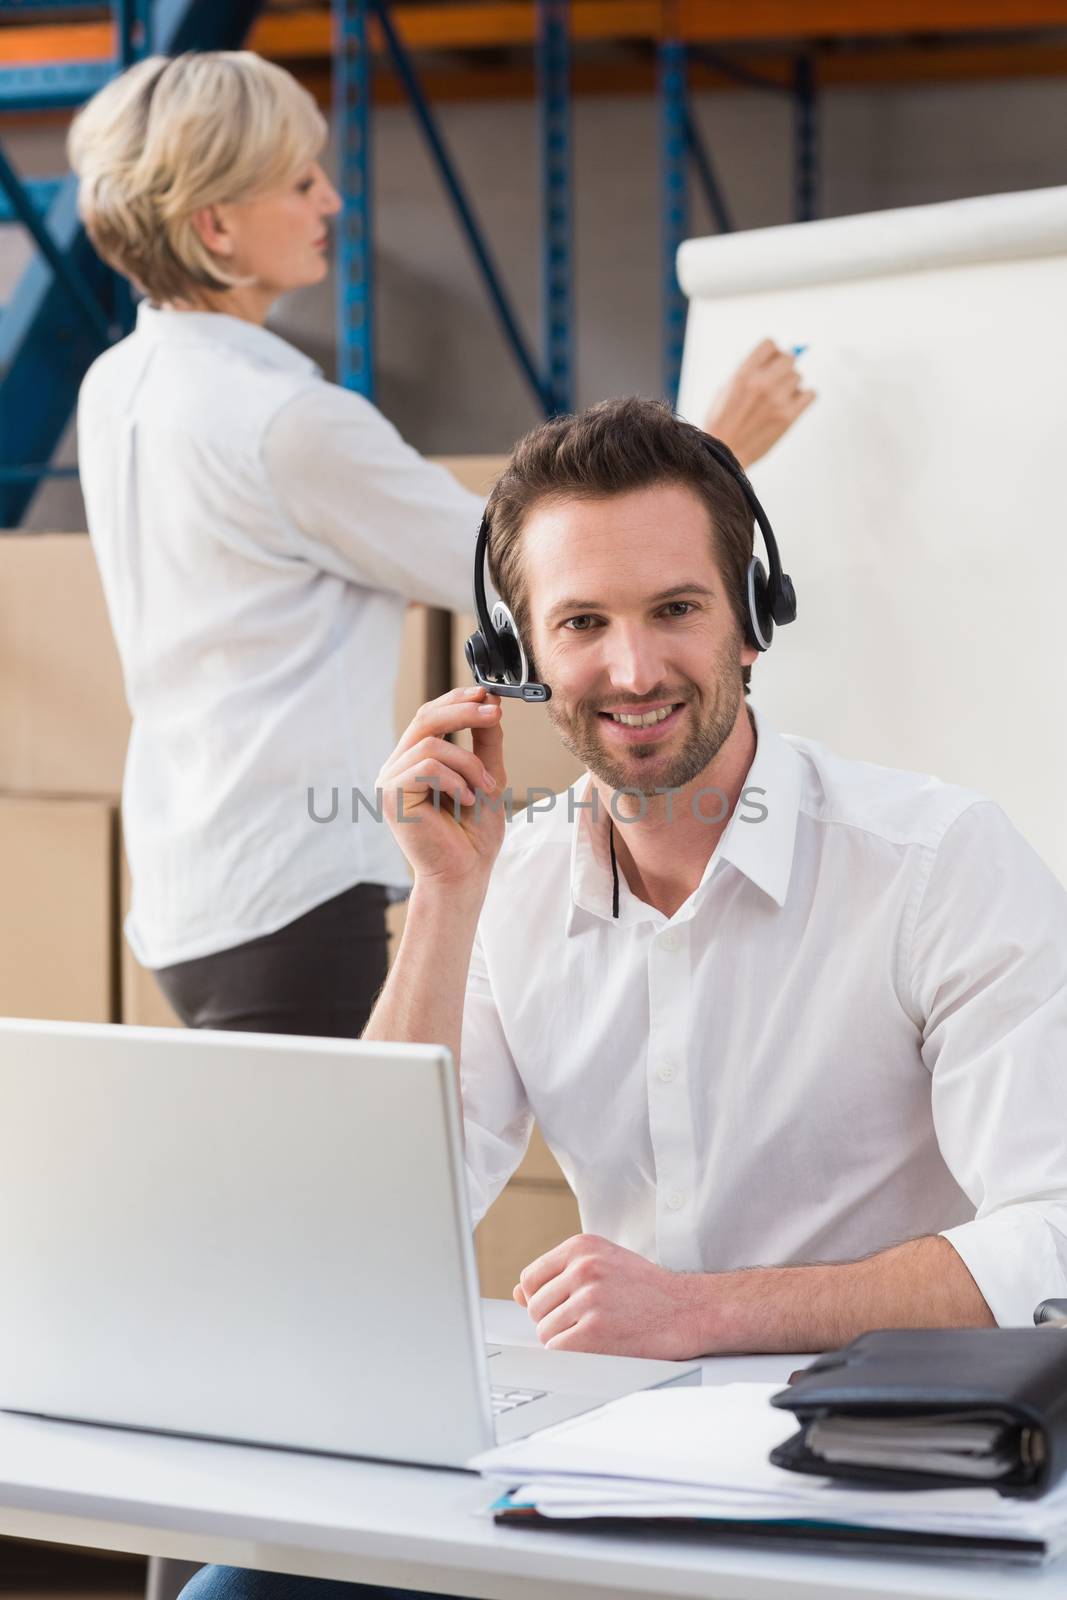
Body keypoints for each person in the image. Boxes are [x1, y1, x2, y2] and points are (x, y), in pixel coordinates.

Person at [182, 397, 1067, 1600]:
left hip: (873, 1473)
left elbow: (1049, 1238)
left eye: (675, 610)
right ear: (515, 658)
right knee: (246, 1588)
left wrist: (698, 1312)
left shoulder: (938, 863)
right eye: (581, 622)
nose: (633, 668)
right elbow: (357, 1231)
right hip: (600, 1466)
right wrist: (443, 897)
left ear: (753, 621)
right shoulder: (510, 882)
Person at [69, 50, 813, 1040]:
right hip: (290, 896)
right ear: (215, 227)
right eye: (299, 182)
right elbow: (524, 571)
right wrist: (712, 449)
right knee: (357, 1183)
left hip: (189, 890)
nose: (329, 200)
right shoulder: (285, 423)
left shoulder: (120, 382)